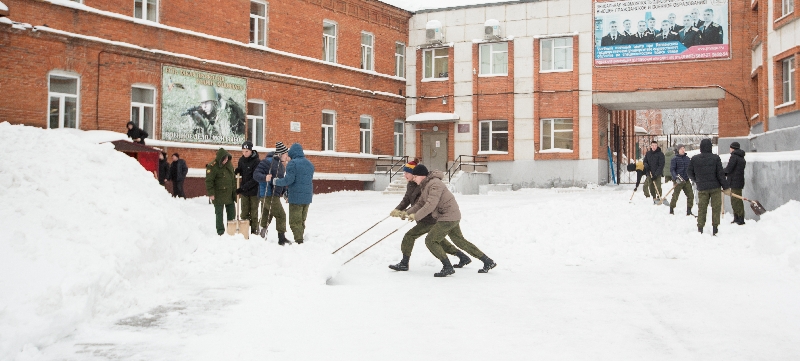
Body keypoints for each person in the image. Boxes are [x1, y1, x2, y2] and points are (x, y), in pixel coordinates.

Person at [404, 164, 496, 277]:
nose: (413, 179)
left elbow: (430, 205)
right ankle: (487, 261)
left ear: (422, 176)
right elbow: (420, 204)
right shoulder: (426, 185)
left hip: (447, 217)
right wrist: (406, 213)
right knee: (459, 241)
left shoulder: (434, 184)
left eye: (415, 176)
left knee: (431, 240)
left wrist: (416, 216)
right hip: (450, 216)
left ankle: (447, 267)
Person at [388, 161, 472, 272]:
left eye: (407, 173)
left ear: (415, 174)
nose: (405, 175)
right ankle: (462, 256)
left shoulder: (423, 185)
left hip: (430, 218)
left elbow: (424, 205)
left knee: (410, 236)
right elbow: (406, 200)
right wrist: (398, 210)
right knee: (439, 241)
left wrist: (408, 213)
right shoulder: (411, 185)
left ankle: (404, 263)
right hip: (422, 217)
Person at [270, 143, 314, 244]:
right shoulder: (309, 164)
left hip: (296, 198)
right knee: (301, 220)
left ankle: (299, 241)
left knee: (294, 221)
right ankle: (300, 238)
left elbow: (288, 180)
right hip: (307, 197)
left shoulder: (293, 163)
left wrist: (276, 181)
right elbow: (302, 181)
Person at [688, 139, 731, 235]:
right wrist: (726, 187)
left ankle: (700, 228)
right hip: (715, 188)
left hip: (702, 188)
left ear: (701, 147)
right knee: (716, 208)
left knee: (702, 208)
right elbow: (720, 174)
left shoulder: (695, 159)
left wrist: (697, 180)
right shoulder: (715, 158)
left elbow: (689, 172)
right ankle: (715, 229)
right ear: (710, 147)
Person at [254, 142, 289, 244]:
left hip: (274, 195)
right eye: (285, 154)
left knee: (266, 216)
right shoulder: (267, 162)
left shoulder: (281, 165)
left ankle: (260, 236)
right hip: (268, 194)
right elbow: (256, 174)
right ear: (280, 154)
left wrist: (284, 192)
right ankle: (281, 239)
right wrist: (265, 177)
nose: (287, 156)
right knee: (281, 215)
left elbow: (281, 181)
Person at [181, 85, 246, 138]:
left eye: (206, 102)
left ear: (214, 101)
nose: (204, 106)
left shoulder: (224, 111)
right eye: (202, 103)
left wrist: (204, 123)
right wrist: (195, 120)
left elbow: (224, 137)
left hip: (241, 129)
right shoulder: (206, 108)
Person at [205, 148, 236, 236]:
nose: (226, 160)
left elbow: (233, 179)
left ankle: (231, 230)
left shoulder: (229, 165)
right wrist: (211, 193)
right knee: (219, 214)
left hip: (229, 194)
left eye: (227, 158)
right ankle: (220, 232)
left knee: (231, 213)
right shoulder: (212, 166)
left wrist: (235, 191)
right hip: (218, 194)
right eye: (224, 159)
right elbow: (209, 181)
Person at [235, 141, 261, 235]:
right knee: (244, 213)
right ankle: (244, 232)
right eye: (243, 151)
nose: (244, 153)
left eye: (246, 151)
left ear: (251, 151)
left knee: (254, 213)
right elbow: (243, 172)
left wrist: (243, 188)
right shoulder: (241, 160)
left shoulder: (256, 161)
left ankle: (254, 232)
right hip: (245, 192)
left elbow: (255, 179)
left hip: (254, 191)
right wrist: (238, 170)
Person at [724, 142, 747, 225]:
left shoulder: (734, 157)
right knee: (737, 200)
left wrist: (721, 172)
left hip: (734, 182)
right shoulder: (741, 158)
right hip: (739, 181)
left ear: (733, 148)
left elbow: (729, 168)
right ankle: (738, 217)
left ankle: (739, 218)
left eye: (730, 148)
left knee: (735, 200)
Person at [669, 145, 694, 216]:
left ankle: (689, 210)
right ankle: (671, 209)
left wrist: (692, 176)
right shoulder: (674, 159)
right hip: (678, 180)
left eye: (683, 148)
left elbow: (690, 169)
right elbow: (672, 169)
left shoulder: (687, 159)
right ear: (678, 150)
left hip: (686, 180)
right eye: (681, 149)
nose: (683, 150)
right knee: (675, 195)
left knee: (690, 195)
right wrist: (676, 177)